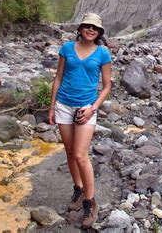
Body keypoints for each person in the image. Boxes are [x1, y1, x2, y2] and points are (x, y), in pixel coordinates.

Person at [48, 13, 112, 228]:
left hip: (86, 107)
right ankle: (78, 189)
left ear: (99, 32)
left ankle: (90, 202)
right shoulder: (67, 48)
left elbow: (106, 86)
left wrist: (93, 107)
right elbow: (58, 78)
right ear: (81, 28)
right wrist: (51, 107)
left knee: (80, 154)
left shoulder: (103, 53)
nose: (91, 30)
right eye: (87, 26)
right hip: (64, 105)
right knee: (68, 151)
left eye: (95, 28)